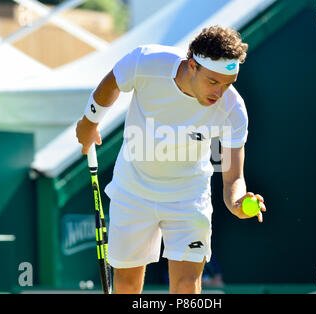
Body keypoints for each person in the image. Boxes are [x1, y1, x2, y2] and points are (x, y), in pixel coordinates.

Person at [75, 25, 267, 294]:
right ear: (192, 66)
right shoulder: (147, 62)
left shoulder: (233, 110)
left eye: (227, 84)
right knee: (128, 285)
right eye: (213, 81)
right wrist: (89, 121)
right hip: (133, 190)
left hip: (188, 197)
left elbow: (234, 178)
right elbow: (114, 81)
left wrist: (237, 202)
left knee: (187, 286)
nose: (219, 93)